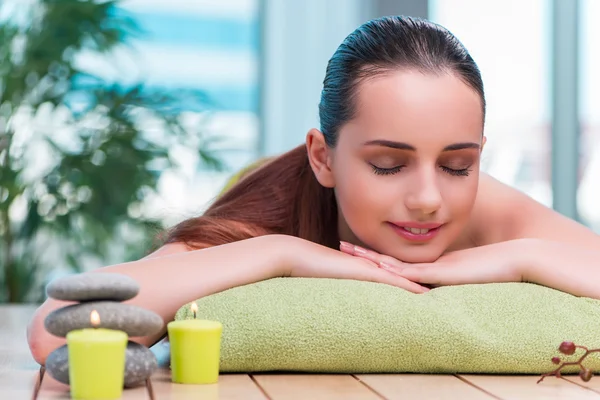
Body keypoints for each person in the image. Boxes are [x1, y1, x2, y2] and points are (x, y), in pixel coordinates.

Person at [27, 15, 600, 365]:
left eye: (456, 165)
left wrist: (519, 257)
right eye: (387, 164)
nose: (429, 198)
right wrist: (285, 253)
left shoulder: (492, 211)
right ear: (324, 157)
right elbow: (55, 329)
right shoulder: (270, 209)